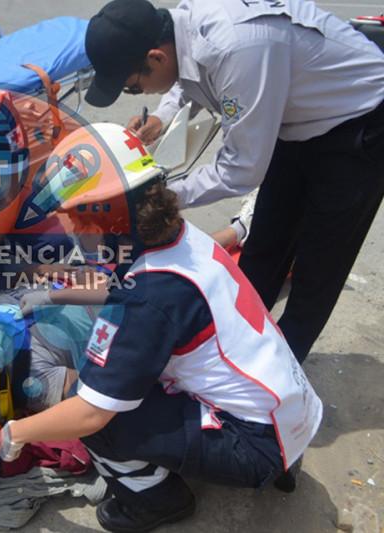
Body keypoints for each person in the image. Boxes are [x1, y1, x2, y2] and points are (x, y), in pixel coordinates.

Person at [0, 122, 323, 533]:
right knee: (125, 380)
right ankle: (274, 457)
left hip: (254, 443)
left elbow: (91, 413)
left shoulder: (150, 298)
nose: (69, 228)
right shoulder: (178, 237)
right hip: (290, 407)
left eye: (72, 217)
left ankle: (153, 499)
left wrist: (16, 432)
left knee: (90, 404)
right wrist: (55, 294)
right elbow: (119, 284)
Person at [83, 0, 384, 363]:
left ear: (155, 57)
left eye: (133, 86)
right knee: (264, 246)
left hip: (361, 120)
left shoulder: (236, 48)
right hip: (297, 118)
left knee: (318, 267)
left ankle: (279, 384)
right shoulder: (181, 29)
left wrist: (159, 197)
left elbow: (240, 168)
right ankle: (236, 350)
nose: (140, 94)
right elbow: (188, 75)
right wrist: (162, 116)